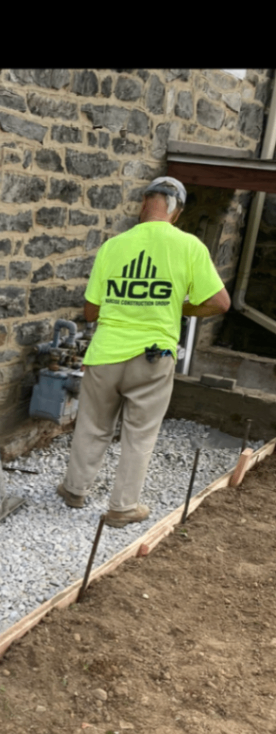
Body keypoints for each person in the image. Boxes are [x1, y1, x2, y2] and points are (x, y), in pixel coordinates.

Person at [57, 177, 231, 525]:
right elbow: (219, 302)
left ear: (143, 204)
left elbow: (90, 311)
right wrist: (178, 308)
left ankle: (74, 490)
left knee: (92, 426)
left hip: (105, 354)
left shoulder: (114, 246)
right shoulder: (190, 246)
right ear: (176, 212)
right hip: (153, 357)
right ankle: (122, 509)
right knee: (139, 434)